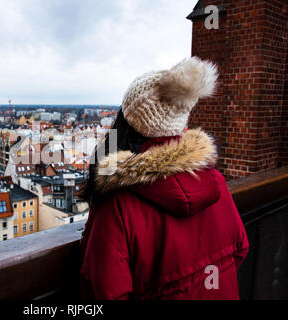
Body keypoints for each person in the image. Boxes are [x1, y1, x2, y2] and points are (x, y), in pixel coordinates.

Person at [80, 57, 249, 300]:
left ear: (125, 124)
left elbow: (106, 292)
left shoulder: (117, 202)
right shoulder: (215, 181)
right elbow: (240, 250)